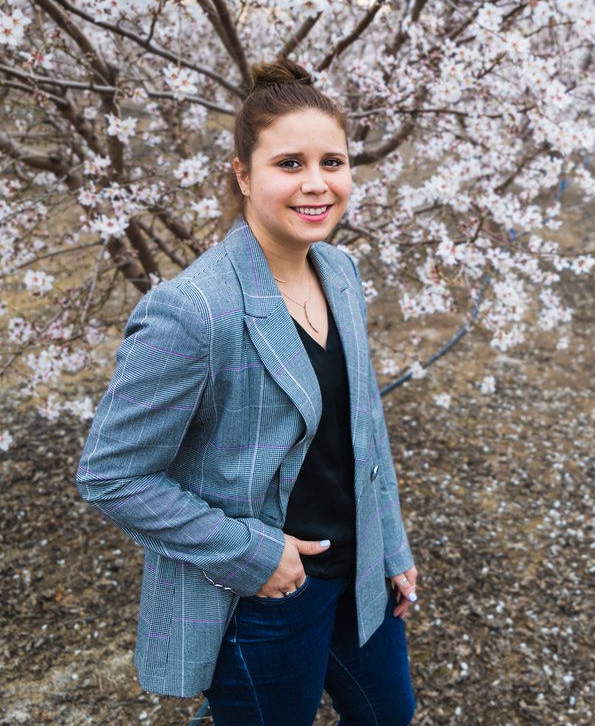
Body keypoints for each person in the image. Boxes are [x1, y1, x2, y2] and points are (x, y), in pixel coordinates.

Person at [76, 60, 419, 725]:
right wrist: (255, 555)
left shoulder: (340, 271)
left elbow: (364, 428)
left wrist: (392, 547)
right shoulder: (192, 311)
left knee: (388, 715)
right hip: (264, 594)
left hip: (359, 574)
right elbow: (112, 476)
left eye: (334, 162)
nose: (318, 184)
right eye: (289, 164)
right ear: (243, 174)